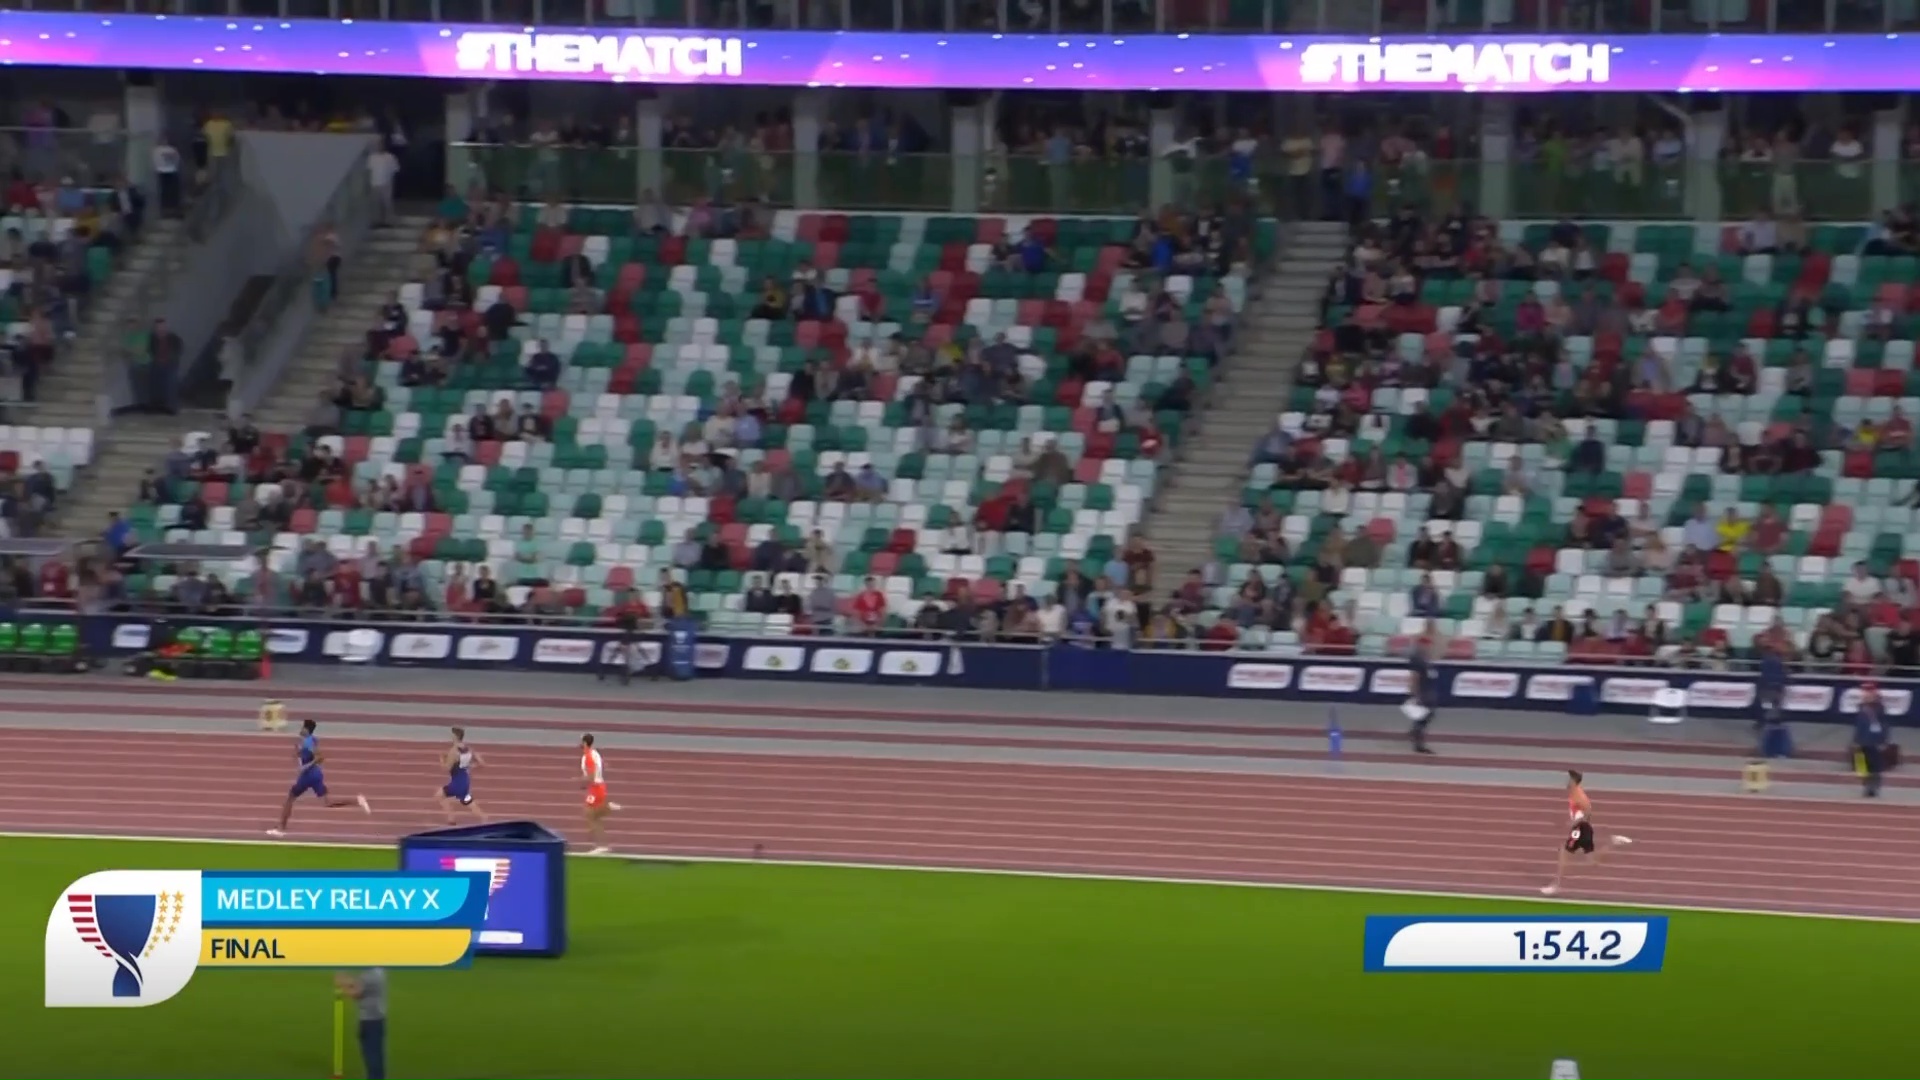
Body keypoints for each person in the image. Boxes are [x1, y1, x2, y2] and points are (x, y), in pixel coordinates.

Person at [267, 719, 371, 837]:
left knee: (290, 798)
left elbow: (320, 757)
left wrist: (305, 766)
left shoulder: (308, 742)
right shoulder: (311, 740)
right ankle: (357, 801)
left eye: (303, 728)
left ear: (306, 729)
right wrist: (299, 752)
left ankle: (281, 829)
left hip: (309, 776)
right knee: (328, 802)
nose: (301, 730)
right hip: (315, 775)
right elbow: (309, 754)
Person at [1541, 770, 1633, 895]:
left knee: (1564, 853)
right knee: (1592, 862)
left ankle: (1555, 885)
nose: (1567, 781)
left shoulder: (1579, 795)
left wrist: (1575, 823)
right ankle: (1612, 843)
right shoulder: (1574, 791)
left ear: (1574, 781)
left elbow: (1588, 811)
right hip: (1584, 829)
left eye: (1570, 779)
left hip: (1580, 829)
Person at [335, 968, 386, 1080]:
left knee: (372, 1057)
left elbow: (355, 994)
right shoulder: (377, 972)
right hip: (376, 1020)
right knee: (375, 1056)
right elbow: (359, 984)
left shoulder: (370, 975)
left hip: (369, 1021)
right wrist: (346, 980)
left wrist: (342, 985)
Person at [579, 733, 622, 854]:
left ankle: (601, 845)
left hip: (595, 788)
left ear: (585, 743)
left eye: (581, 741)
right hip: (599, 787)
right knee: (593, 816)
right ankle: (607, 807)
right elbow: (601, 766)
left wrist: (583, 782)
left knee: (590, 815)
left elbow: (591, 775)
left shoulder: (588, 756)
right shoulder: (595, 753)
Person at [436, 726, 487, 824]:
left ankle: (451, 819)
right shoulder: (469, 749)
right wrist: (469, 767)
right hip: (465, 780)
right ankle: (483, 817)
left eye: (452, 735)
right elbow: (482, 763)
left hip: (457, 782)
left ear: (455, 737)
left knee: (440, 795)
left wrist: (441, 758)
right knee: (468, 801)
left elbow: (446, 768)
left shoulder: (454, 751)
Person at [1854, 683, 1888, 798]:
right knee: (1861, 765)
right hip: (1862, 740)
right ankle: (1865, 785)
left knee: (1875, 765)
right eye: (1865, 693)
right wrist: (1856, 740)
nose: (1865, 695)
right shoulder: (1861, 708)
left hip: (1874, 741)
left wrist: (1883, 741)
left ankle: (1873, 787)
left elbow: (1884, 726)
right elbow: (1859, 726)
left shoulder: (1879, 709)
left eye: (1869, 694)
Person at [1404, 638, 1438, 754]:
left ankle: (1414, 733)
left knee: (1428, 715)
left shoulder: (1426, 659)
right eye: (1427, 645)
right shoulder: (1417, 660)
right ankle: (1418, 743)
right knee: (1423, 716)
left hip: (1429, 689)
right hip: (1423, 692)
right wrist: (1415, 694)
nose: (1429, 648)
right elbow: (1415, 677)